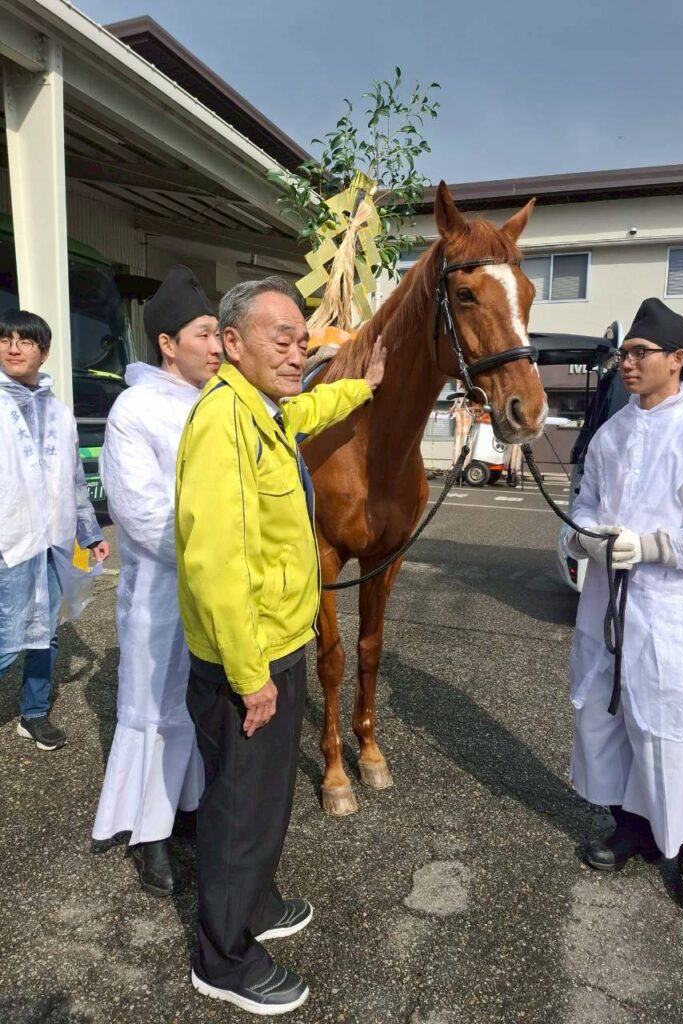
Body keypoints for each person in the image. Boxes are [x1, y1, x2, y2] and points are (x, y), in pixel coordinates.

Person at [175, 277, 386, 1015]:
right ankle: (222, 957)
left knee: (266, 800)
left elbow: (310, 406)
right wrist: (249, 673)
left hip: (281, 644)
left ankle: (254, 901)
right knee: (238, 807)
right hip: (248, 661)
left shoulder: (267, 411)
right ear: (232, 343)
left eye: (303, 340)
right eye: (281, 338)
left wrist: (361, 384)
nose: (297, 353)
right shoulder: (222, 422)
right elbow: (215, 561)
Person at [564, 297, 683, 912]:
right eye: (625, 353)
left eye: (640, 354)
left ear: (678, 359)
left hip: (672, 609)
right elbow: (585, 502)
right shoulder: (613, 432)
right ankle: (634, 826)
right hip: (607, 604)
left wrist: (654, 546)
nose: (627, 363)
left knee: (671, 728)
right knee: (605, 711)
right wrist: (586, 536)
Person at [92, 267, 221, 896]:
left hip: (211, 593)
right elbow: (140, 517)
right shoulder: (135, 407)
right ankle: (150, 835)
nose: (218, 345)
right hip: (161, 596)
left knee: (194, 706)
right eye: (204, 334)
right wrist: (221, 555)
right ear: (167, 344)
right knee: (153, 707)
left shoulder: (215, 403)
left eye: (220, 333)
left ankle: (186, 803)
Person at [0, 309, 108, 750]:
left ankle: (34, 713)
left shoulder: (60, 412)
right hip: (9, 541)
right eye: (5, 339)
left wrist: (91, 533)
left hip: (52, 542)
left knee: (45, 633)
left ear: (43, 352)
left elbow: (74, 480)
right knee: (7, 636)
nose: (12, 347)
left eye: (24, 341)